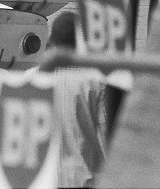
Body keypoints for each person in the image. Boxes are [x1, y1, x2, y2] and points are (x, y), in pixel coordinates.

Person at [47, 11, 109, 188]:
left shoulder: (33, 79)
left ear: (52, 41)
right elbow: (106, 133)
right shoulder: (96, 81)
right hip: (83, 177)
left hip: (46, 179)